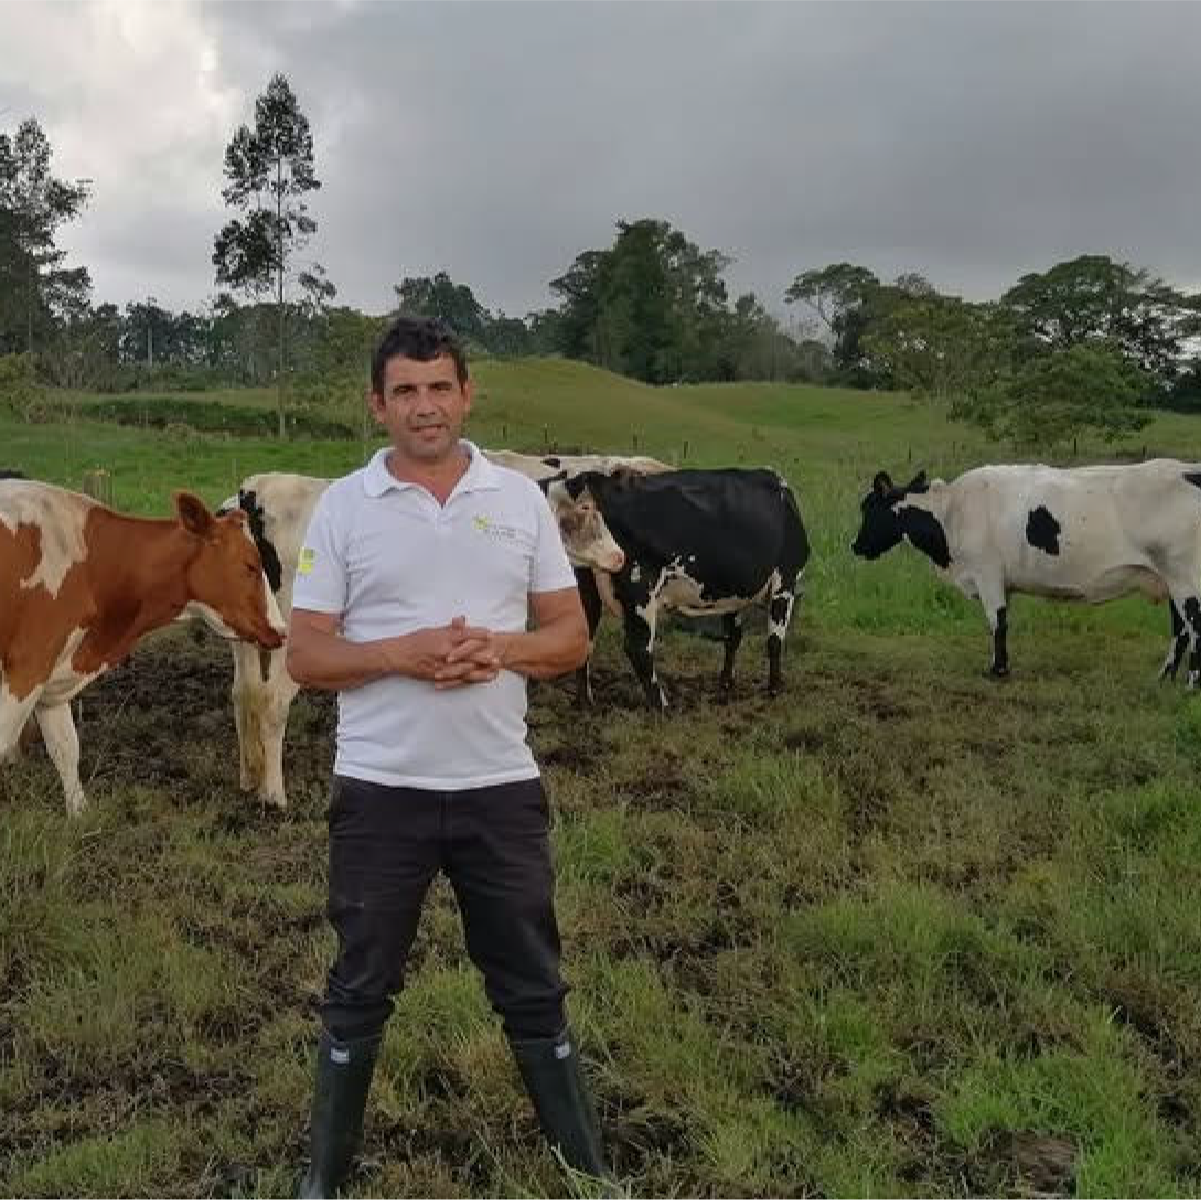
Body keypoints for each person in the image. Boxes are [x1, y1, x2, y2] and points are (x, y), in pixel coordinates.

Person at [286, 315, 617, 1199]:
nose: (424, 406)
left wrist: (497, 649)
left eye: (439, 387)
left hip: (497, 786)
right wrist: (399, 653)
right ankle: (322, 1180)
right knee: (360, 983)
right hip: (380, 789)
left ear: (467, 395)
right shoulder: (345, 506)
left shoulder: (518, 502)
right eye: (405, 390)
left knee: (531, 980)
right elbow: (306, 655)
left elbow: (569, 636)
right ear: (377, 404)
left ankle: (586, 1173)